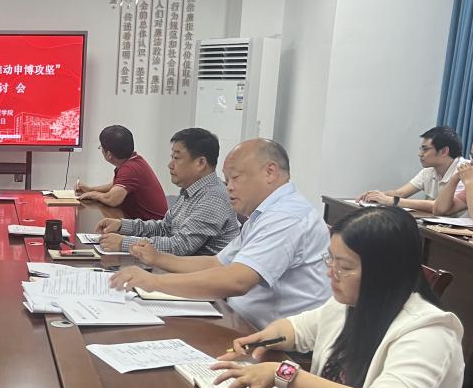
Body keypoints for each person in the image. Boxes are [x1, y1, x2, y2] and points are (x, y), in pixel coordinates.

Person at [211, 206, 464, 388]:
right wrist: (266, 338)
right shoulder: (349, 304)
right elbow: (295, 329)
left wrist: (285, 374)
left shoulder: (429, 330)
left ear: (384, 272)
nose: (330, 272)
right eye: (330, 260)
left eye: (344, 266)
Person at [110, 139, 330, 329]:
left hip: (276, 343)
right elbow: (217, 263)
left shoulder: (286, 217)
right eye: (227, 180)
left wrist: (154, 282)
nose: (229, 187)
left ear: (270, 172)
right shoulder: (264, 213)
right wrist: (158, 258)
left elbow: (237, 280)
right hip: (239, 321)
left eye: (236, 178)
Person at [95, 128, 238, 256]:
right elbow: (165, 228)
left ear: (200, 163)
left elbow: (180, 246)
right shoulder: (192, 190)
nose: (170, 165)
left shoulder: (213, 197)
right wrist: (122, 225)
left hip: (199, 274)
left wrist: (124, 243)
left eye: (176, 158)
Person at [358, 126, 466, 214]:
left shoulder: (465, 170)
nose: (420, 154)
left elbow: (441, 206)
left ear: (444, 151)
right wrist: (377, 196)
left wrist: (392, 201)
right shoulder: (429, 170)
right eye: (421, 149)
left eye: (425, 149)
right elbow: (400, 193)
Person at [75, 125, 167, 221]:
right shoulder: (134, 160)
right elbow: (114, 186)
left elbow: (112, 199)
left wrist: (94, 194)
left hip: (153, 226)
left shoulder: (130, 169)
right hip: (144, 222)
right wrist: (90, 189)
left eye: (101, 147)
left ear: (109, 154)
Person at [433, 132, 473, 225]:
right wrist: (455, 178)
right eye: (472, 157)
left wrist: (470, 182)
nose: (472, 163)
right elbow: (439, 210)